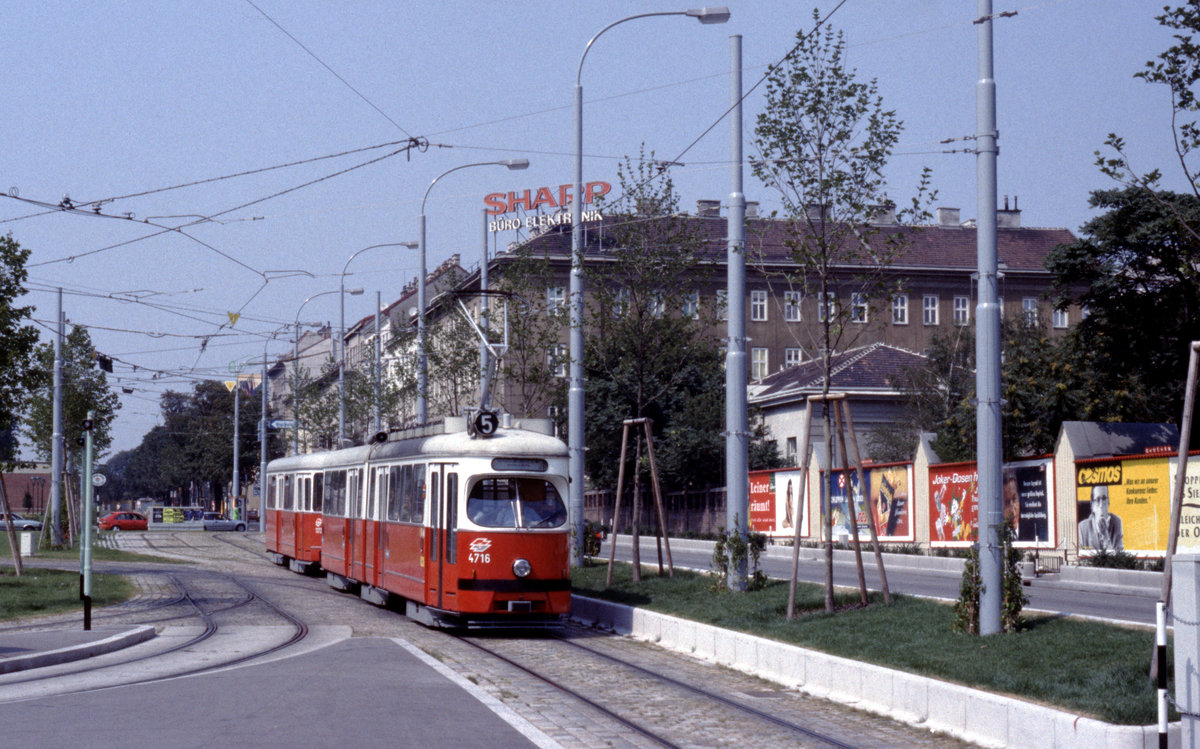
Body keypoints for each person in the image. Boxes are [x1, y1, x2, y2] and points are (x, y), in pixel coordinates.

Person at [1078, 484, 1123, 551]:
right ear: (1092, 505)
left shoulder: (1117, 522)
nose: (1101, 505)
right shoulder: (1082, 528)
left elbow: (1118, 556)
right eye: (1097, 500)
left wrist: (1105, 535)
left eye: (1104, 498)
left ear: (1108, 502)